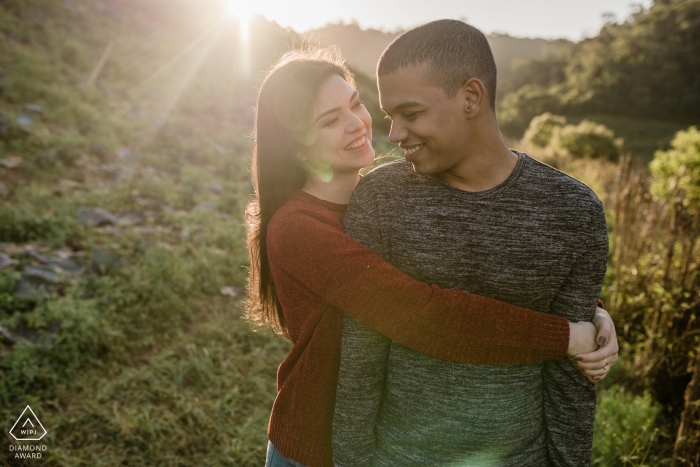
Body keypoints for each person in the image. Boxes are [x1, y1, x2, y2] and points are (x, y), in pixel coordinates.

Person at [245, 48, 618, 467]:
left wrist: (591, 312)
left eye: (355, 104)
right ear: (295, 148)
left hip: (385, 439)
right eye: (329, 121)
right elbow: (423, 313)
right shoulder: (298, 229)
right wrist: (566, 336)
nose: (356, 124)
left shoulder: (389, 201)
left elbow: (470, 280)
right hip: (314, 446)